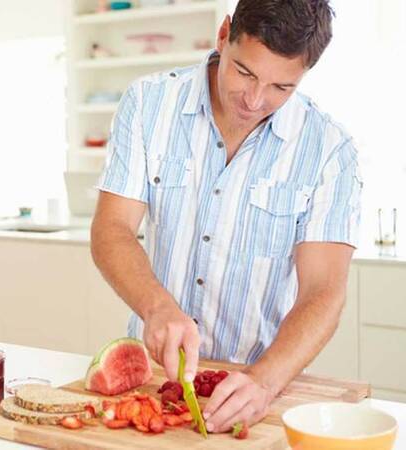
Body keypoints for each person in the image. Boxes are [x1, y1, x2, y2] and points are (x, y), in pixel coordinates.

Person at [90, 0, 361, 433]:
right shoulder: (148, 104)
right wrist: (157, 308)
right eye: (245, 72)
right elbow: (111, 229)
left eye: (281, 88)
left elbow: (324, 292)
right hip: (156, 381)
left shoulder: (330, 151)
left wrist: (265, 381)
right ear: (224, 35)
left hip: (260, 386)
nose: (255, 100)